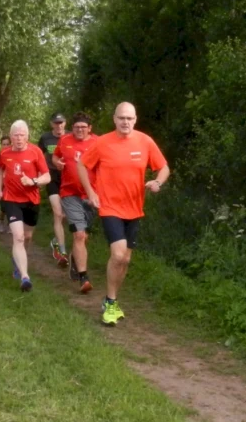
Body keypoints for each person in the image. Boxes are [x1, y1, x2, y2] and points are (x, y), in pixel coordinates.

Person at [78, 102, 169, 325]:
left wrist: (157, 181)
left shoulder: (145, 141)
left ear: (135, 119)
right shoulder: (103, 142)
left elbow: (163, 167)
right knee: (118, 255)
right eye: (121, 118)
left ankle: (113, 299)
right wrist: (91, 192)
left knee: (126, 260)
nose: (125, 122)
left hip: (134, 208)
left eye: (129, 118)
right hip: (110, 207)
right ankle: (110, 302)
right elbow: (82, 165)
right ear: (114, 119)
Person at [0, 120, 50, 292]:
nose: (19, 138)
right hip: (11, 199)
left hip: (31, 200)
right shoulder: (4, 153)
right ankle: (25, 277)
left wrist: (33, 181)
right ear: (11, 137)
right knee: (17, 237)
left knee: (26, 237)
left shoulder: (36, 151)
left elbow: (47, 176)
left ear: (27, 136)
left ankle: (19, 259)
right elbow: (0, 171)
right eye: (15, 135)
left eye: (22, 135)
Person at [52, 112, 97, 294]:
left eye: (83, 127)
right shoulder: (64, 141)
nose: (79, 130)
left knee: (84, 236)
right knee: (79, 234)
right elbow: (55, 157)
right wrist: (57, 163)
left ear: (89, 129)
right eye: (77, 127)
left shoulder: (97, 143)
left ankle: (74, 259)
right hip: (69, 193)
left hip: (91, 195)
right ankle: (84, 277)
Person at [38, 113, 68, 266]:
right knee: (58, 213)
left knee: (67, 216)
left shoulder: (71, 136)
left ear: (65, 123)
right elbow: (38, 156)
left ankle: (56, 240)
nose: (59, 125)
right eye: (56, 123)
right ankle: (62, 252)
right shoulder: (45, 138)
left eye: (61, 122)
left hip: (69, 178)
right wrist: (39, 176)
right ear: (52, 124)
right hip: (52, 177)